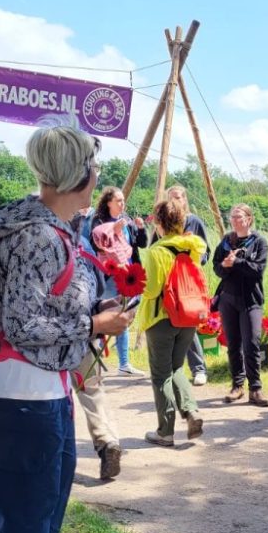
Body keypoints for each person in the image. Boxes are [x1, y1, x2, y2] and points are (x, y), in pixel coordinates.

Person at [0, 126, 133, 533]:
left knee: (52, 487)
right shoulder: (36, 236)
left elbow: (47, 307)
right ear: (81, 175)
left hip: (46, 383)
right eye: (93, 166)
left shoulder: (55, 226)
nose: (98, 176)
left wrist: (92, 315)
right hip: (22, 386)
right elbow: (21, 322)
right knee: (26, 504)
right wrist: (94, 328)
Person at [137, 196, 208, 447]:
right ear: (181, 220)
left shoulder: (157, 252)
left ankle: (165, 431)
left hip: (161, 318)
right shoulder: (193, 246)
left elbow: (152, 289)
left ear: (158, 223)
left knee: (160, 375)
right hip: (188, 316)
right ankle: (191, 411)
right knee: (177, 367)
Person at [75, 226, 124, 480]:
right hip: (86, 329)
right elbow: (97, 288)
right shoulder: (82, 243)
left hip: (55, 336)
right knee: (91, 389)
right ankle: (108, 440)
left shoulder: (38, 236)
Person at [212, 203, 268, 406]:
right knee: (233, 344)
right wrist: (225, 265)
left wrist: (236, 262)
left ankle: (255, 389)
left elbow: (258, 269)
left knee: (252, 343)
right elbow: (216, 269)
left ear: (249, 219)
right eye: (232, 217)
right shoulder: (226, 241)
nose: (235, 220)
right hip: (228, 299)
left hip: (251, 300)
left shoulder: (259, 242)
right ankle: (237, 386)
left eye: (239, 216)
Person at [92, 185, 146, 377]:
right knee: (104, 316)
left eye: (123, 200)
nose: (123, 204)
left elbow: (141, 243)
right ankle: (94, 361)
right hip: (109, 275)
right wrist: (112, 229)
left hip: (129, 274)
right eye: (118, 200)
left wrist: (140, 228)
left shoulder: (127, 221)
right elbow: (96, 245)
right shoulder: (98, 222)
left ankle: (124, 363)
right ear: (108, 202)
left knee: (124, 315)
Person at [165, 184, 211, 385]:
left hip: (188, 280)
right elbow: (153, 246)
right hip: (167, 278)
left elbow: (206, 251)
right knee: (167, 322)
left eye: (179, 197)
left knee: (188, 322)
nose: (176, 200)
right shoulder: (163, 222)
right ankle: (171, 369)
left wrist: (193, 261)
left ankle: (199, 369)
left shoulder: (194, 222)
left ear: (185, 199)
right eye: (172, 197)